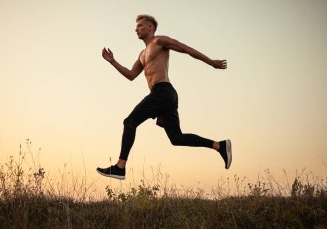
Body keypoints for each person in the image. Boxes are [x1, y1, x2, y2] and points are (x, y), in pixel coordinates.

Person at [97, 15, 232, 180]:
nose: (136, 29)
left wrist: (210, 62)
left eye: (140, 26)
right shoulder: (142, 54)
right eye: (136, 27)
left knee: (129, 122)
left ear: (150, 27)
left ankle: (120, 167)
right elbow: (131, 75)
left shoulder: (159, 41)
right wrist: (112, 61)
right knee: (177, 138)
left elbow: (185, 48)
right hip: (165, 95)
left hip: (163, 91)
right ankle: (219, 146)